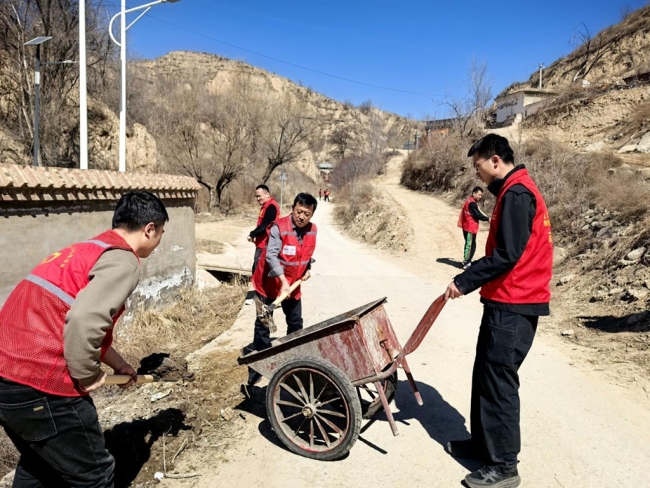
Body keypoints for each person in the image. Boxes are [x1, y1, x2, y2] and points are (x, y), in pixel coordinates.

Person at [0, 191, 168, 487]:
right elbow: (83, 321)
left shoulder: (84, 251)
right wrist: (88, 376)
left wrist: (120, 365)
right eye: (161, 233)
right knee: (95, 476)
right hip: (41, 384)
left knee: (39, 466)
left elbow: (73, 317)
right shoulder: (124, 260)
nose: (159, 242)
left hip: (7, 380)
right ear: (150, 228)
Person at [444, 134, 553, 488]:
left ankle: (504, 467)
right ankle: (483, 445)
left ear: (494, 160)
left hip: (515, 304)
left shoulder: (518, 194)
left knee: (499, 385)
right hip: (505, 301)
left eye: (478, 166)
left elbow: (506, 255)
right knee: (485, 376)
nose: (477, 174)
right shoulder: (512, 191)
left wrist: (464, 281)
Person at [246, 193, 318, 387]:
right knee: (263, 325)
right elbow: (271, 256)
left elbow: (305, 253)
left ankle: (292, 363)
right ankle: (256, 369)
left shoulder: (313, 230)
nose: (302, 217)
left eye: (307, 214)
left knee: (296, 324)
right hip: (268, 284)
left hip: (292, 287)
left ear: (312, 215)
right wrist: (283, 281)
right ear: (293, 208)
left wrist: (307, 269)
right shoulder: (279, 227)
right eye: (299, 211)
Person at [458, 186, 489, 269]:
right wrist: (487, 219)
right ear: (474, 193)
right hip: (470, 227)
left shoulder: (470, 201)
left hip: (466, 226)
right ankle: (466, 262)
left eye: (481, 195)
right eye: (479, 195)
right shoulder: (472, 203)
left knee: (471, 244)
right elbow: (477, 215)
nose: (480, 196)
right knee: (470, 245)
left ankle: (467, 261)